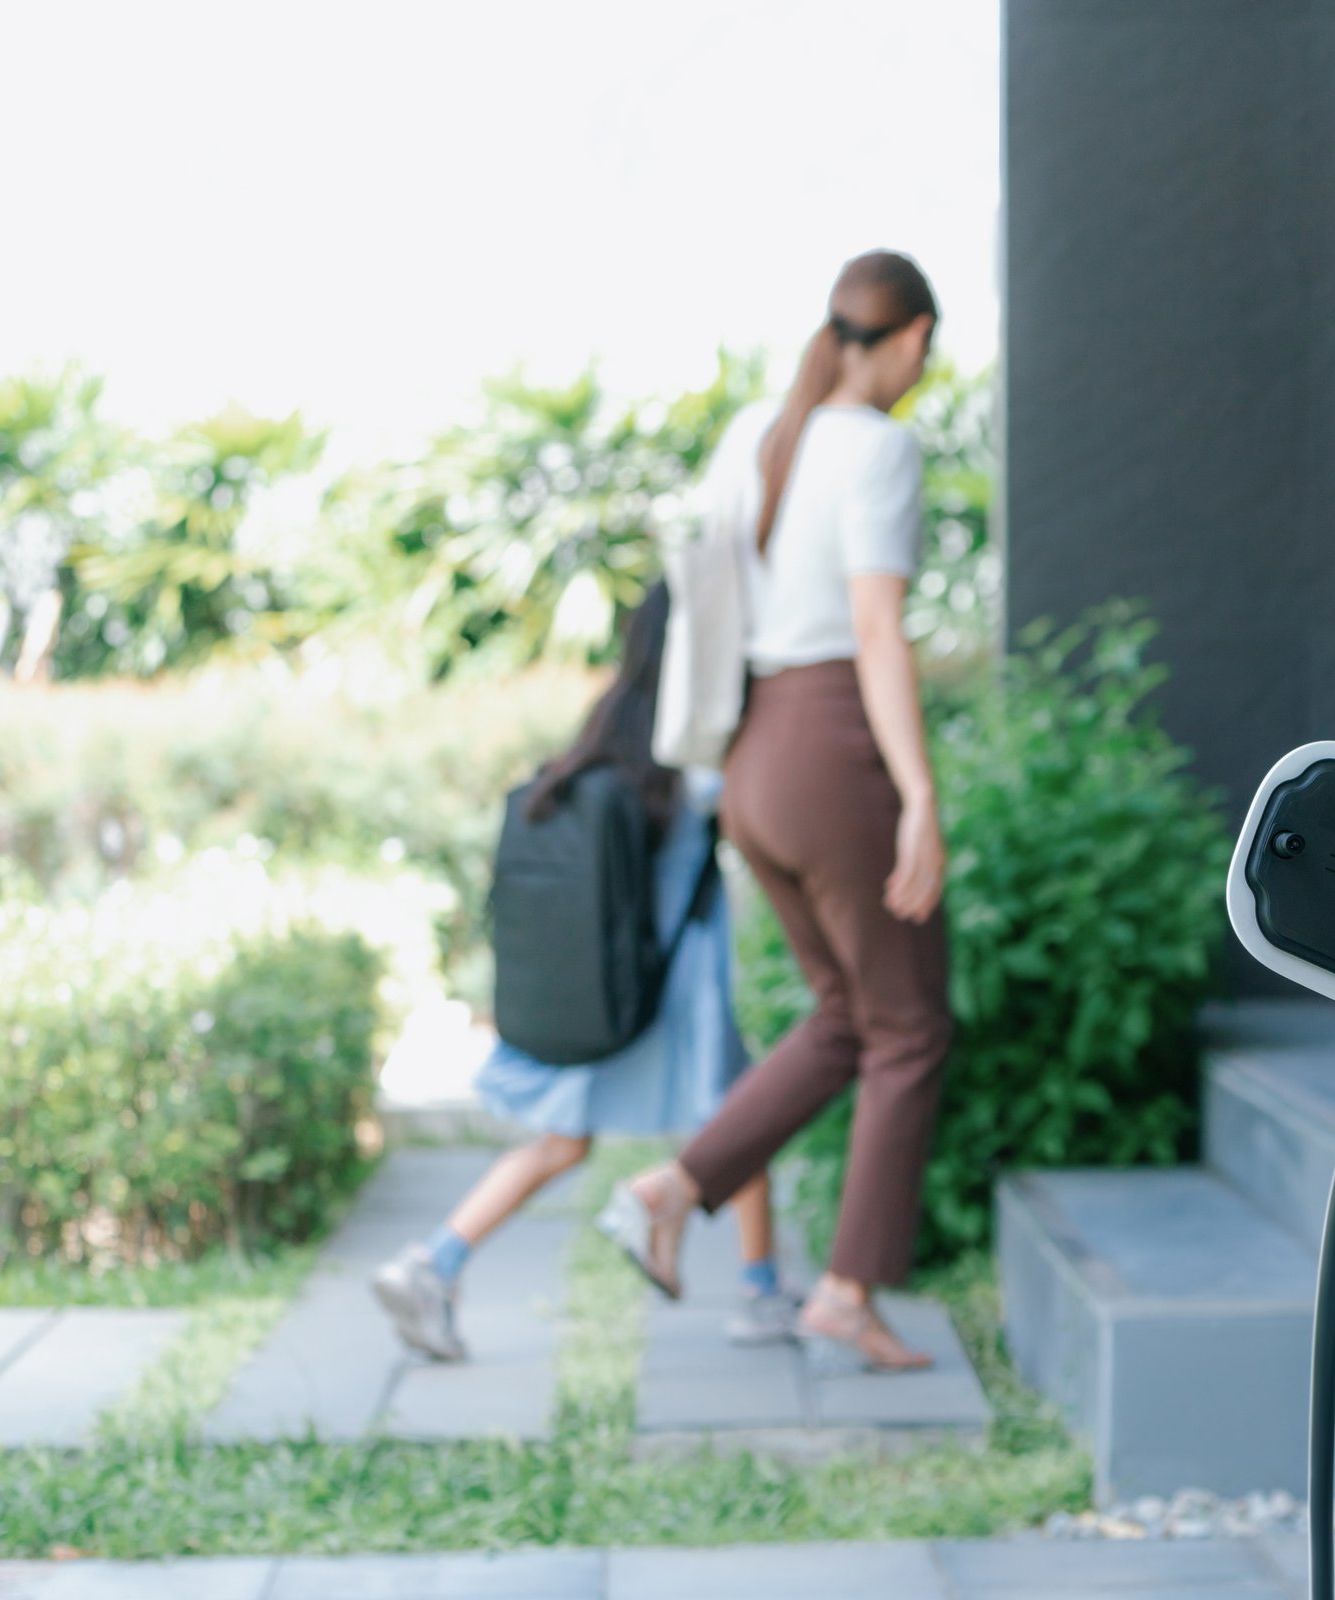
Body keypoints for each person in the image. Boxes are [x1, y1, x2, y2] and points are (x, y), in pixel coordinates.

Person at [596, 249, 953, 1373]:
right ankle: (846, 1288)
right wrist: (919, 797)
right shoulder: (882, 447)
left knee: (849, 1016)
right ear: (908, 341)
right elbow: (878, 630)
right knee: (910, 1027)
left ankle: (674, 1186)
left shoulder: (759, 429)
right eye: (922, 355)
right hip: (834, 746)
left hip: (753, 759)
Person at [371, 590, 794, 1361]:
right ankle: (761, 1293)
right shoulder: (698, 744)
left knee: (563, 1142)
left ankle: (435, 1262)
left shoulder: (610, 727)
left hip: (609, 981)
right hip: (673, 982)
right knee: (743, 1122)